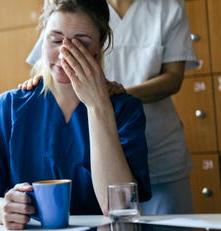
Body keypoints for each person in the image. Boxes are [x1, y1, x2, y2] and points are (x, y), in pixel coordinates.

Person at [0, 0, 151, 230]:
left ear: (100, 45)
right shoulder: (9, 107)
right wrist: (0, 209)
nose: (64, 53)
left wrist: (98, 108)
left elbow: (119, 207)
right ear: (43, 37)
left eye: (80, 43)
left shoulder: (124, 110)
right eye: (55, 40)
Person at [23, 0, 199, 214]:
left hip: (158, 148)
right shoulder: (81, 6)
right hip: (98, 148)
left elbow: (173, 78)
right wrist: (39, 82)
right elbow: (51, 56)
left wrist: (109, 95)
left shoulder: (168, 7)